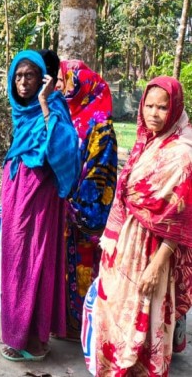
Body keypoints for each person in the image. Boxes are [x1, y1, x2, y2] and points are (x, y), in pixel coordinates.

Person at [92, 76, 192, 376]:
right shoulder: (145, 143)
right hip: (127, 241)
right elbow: (125, 195)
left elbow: (181, 218)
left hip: (154, 250)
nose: (154, 113)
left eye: (163, 107)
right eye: (149, 105)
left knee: (148, 315)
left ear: (175, 109)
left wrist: (157, 264)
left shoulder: (182, 154)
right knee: (118, 311)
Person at [0, 50, 81, 362]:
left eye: (29, 76)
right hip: (16, 194)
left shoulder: (53, 105)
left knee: (34, 260)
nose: (22, 82)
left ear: (41, 79)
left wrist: (46, 103)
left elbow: (64, 151)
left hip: (39, 196)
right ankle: (16, 333)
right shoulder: (20, 110)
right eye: (18, 76)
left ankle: (34, 340)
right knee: (15, 261)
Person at [43, 53, 118, 342]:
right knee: (63, 264)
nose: (60, 87)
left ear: (81, 83)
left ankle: (80, 325)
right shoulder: (67, 115)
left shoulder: (100, 124)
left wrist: (75, 202)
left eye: (64, 81)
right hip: (62, 203)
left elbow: (100, 170)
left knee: (84, 265)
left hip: (83, 209)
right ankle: (64, 321)